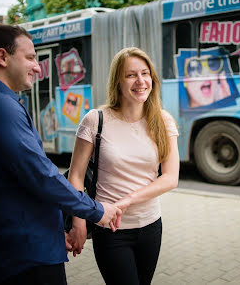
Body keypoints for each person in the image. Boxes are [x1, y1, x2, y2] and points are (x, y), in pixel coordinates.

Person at [0, 24, 122, 285]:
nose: (37, 67)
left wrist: (56, 231)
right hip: (26, 257)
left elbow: (24, 182)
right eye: (31, 57)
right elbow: (41, 177)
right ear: (2, 57)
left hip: (28, 246)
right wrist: (97, 210)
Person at [68, 47, 180, 284]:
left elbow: (170, 177)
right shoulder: (95, 120)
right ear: (117, 81)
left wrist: (127, 200)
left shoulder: (163, 120)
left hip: (151, 226)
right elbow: (76, 176)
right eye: (131, 75)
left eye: (145, 73)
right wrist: (78, 221)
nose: (140, 81)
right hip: (110, 230)